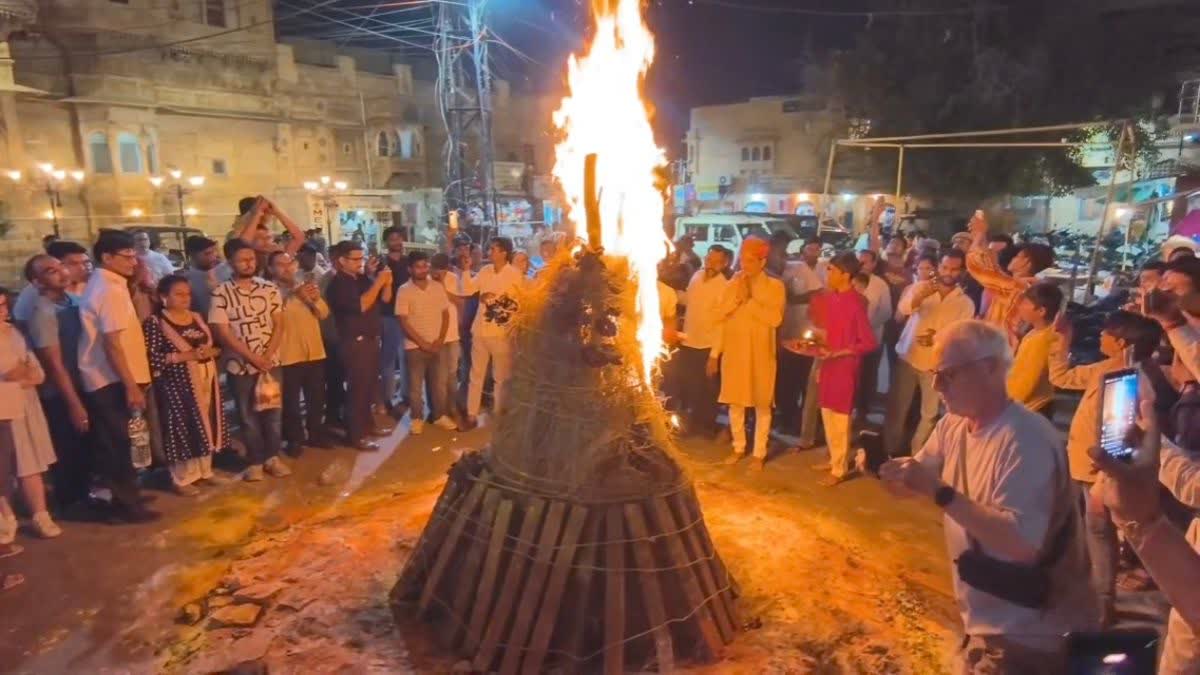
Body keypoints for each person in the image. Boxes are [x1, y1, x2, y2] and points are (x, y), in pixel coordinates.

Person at [879, 320, 1096, 673]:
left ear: (992, 368)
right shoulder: (954, 424)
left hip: (1030, 632)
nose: (937, 386)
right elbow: (921, 471)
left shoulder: (1026, 440)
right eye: (936, 374)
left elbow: (1022, 544)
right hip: (988, 617)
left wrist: (937, 491)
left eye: (949, 375)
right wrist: (900, 476)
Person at [1049, 309, 1162, 626]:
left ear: (1121, 341)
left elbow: (1120, 440)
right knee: (1091, 532)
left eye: (1107, 332)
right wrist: (1063, 340)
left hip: (1100, 471)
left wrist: (1107, 474)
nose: (1100, 336)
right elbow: (1062, 377)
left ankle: (1102, 603)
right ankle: (1095, 597)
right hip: (1084, 464)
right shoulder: (1107, 369)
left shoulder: (1132, 383)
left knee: (1100, 533)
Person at [77, 231, 158, 522]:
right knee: (118, 442)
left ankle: (128, 494)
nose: (133, 261)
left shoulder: (113, 284)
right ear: (106, 257)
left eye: (134, 255)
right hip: (110, 380)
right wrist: (130, 386)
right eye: (127, 256)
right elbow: (112, 344)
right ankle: (124, 505)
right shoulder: (108, 289)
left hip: (117, 377)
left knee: (124, 440)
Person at [787, 251, 877, 485]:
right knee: (826, 413)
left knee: (840, 419)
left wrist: (838, 352)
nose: (828, 274)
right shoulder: (833, 299)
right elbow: (832, 335)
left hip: (845, 367)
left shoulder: (856, 303)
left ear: (845, 275)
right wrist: (813, 342)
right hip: (828, 363)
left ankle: (839, 469)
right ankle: (834, 458)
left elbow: (867, 342)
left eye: (831, 270)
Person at [209, 239, 290, 481]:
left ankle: (272, 457)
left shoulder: (269, 289)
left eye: (252, 259)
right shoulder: (221, 292)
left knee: (273, 413)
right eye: (242, 259)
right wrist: (251, 357)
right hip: (240, 365)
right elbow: (222, 331)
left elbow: (279, 325)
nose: (248, 263)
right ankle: (255, 460)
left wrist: (266, 356)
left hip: (270, 364)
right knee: (247, 416)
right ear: (231, 263)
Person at [882, 250, 975, 458]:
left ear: (961, 271)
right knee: (898, 408)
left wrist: (937, 340)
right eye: (945, 267)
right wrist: (919, 296)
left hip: (937, 366)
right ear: (938, 268)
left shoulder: (965, 303)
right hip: (909, 357)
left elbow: (960, 334)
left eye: (954, 269)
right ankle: (889, 451)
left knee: (930, 414)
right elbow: (903, 311)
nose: (948, 273)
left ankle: (918, 454)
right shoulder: (920, 288)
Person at [144, 275, 228, 495]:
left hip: (206, 379)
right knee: (182, 426)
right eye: (178, 294)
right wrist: (184, 356)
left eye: (187, 294)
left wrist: (211, 352)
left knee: (205, 422)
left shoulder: (197, 318)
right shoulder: (156, 323)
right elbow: (152, 358)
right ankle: (182, 478)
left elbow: (217, 347)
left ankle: (205, 471)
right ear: (163, 297)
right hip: (176, 384)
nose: (185, 298)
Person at [23, 255, 90, 512]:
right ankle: (71, 501)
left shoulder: (72, 301)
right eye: (50, 271)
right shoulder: (43, 312)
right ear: (37, 282)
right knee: (67, 447)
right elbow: (54, 364)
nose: (61, 273)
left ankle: (84, 494)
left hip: (81, 382)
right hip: (60, 392)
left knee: (82, 445)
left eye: (60, 266)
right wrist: (74, 404)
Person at [712, 238, 785, 470]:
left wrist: (749, 300)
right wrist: (716, 353)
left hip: (761, 355)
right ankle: (738, 447)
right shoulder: (732, 283)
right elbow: (720, 314)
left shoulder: (775, 286)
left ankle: (759, 453)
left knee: (762, 404)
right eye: (743, 260)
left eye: (751, 261)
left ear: (762, 262)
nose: (745, 265)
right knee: (736, 403)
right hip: (735, 353)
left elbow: (774, 319)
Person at [0, 288, 61, 541]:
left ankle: (40, 514)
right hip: (5, 408)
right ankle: (7, 519)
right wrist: (20, 371)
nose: (3, 311)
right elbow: (11, 370)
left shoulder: (13, 332)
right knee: (5, 466)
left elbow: (35, 371)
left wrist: (23, 372)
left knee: (32, 461)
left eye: (4, 305)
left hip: (26, 403)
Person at [326, 240, 394, 450]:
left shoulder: (361, 278)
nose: (360, 263)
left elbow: (384, 298)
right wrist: (378, 282)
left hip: (372, 340)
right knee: (357, 389)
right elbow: (362, 305)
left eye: (361, 258)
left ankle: (368, 425)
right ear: (342, 261)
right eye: (355, 259)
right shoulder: (338, 284)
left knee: (369, 387)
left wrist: (387, 281)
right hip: (354, 343)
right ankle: (356, 435)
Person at [271, 251, 333, 455]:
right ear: (271, 269)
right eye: (281, 264)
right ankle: (294, 439)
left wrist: (310, 298)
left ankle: (315, 434)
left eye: (290, 263)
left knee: (316, 397)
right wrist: (290, 294)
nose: (287, 268)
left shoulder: (306, 287)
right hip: (288, 354)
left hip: (314, 352)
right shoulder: (269, 292)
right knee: (291, 402)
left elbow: (323, 313)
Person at [462, 237, 523, 429]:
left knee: (500, 378)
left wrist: (496, 300)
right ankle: (471, 414)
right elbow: (467, 289)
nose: (490, 252)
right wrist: (465, 270)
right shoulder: (485, 271)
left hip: (501, 332)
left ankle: (498, 414)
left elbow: (518, 303)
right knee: (476, 374)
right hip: (480, 330)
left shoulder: (514, 274)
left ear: (504, 252)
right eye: (490, 249)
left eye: (494, 249)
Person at [396, 251, 457, 434]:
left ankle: (439, 415)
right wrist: (422, 343)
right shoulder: (404, 290)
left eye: (425, 266)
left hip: (439, 344)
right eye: (418, 266)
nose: (422, 270)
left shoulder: (437, 287)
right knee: (415, 387)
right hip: (415, 346)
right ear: (410, 269)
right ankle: (416, 418)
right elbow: (403, 321)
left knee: (439, 384)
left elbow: (446, 314)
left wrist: (440, 339)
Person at [675, 245, 731, 437]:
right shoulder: (697, 276)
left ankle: (706, 427)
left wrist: (714, 356)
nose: (710, 264)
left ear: (724, 264)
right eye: (709, 259)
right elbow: (688, 300)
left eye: (716, 262)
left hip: (708, 346)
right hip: (689, 341)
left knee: (708, 390)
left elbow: (723, 323)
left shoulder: (724, 286)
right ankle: (692, 424)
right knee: (690, 386)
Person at [966, 212, 1055, 331]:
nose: (1013, 258)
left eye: (1018, 256)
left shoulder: (1019, 289)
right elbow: (993, 270)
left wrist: (980, 235)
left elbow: (979, 268)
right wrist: (980, 237)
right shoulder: (1016, 284)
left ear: (1028, 263)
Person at [776, 238, 823, 434]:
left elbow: (818, 292)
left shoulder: (800, 268)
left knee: (803, 379)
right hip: (784, 332)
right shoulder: (774, 272)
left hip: (803, 331)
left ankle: (803, 422)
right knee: (786, 380)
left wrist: (792, 299)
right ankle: (787, 417)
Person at [1006, 282, 1063, 417]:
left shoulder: (1042, 341)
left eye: (1025, 304)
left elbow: (1026, 384)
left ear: (1041, 311)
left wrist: (1004, 405)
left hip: (1031, 409)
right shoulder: (1037, 333)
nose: (1020, 307)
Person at [854, 248, 894, 420]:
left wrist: (867, 326)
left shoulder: (880, 284)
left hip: (872, 337)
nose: (862, 264)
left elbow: (886, 311)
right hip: (850, 339)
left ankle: (863, 411)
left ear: (874, 264)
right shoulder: (851, 280)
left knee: (868, 375)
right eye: (859, 261)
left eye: (866, 261)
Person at [12, 241, 91, 328]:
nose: (83, 268)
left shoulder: (89, 284)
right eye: (74, 264)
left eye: (86, 262)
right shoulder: (38, 295)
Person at [379, 226, 410, 418]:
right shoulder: (383, 264)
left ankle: (406, 395)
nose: (396, 242)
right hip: (389, 315)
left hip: (408, 315)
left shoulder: (409, 263)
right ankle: (387, 398)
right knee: (389, 359)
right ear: (386, 243)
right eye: (392, 239)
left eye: (399, 238)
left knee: (408, 357)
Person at [430, 253, 465, 421]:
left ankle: (452, 407)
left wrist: (443, 285)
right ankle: (439, 411)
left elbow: (459, 301)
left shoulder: (453, 278)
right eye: (437, 268)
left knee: (452, 375)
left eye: (443, 268)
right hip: (437, 335)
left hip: (453, 334)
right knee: (439, 377)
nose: (440, 272)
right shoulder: (428, 280)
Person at [181, 235, 221, 317]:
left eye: (214, 252)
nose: (213, 257)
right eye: (207, 254)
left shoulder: (225, 270)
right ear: (192, 255)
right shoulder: (184, 279)